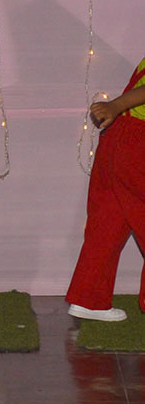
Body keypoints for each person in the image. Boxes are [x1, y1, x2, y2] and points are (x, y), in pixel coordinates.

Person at [66, 58, 145, 322]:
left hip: (118, 138)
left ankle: (88, 298)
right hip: (138, 143)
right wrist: (116, 105)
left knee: (109, 222)